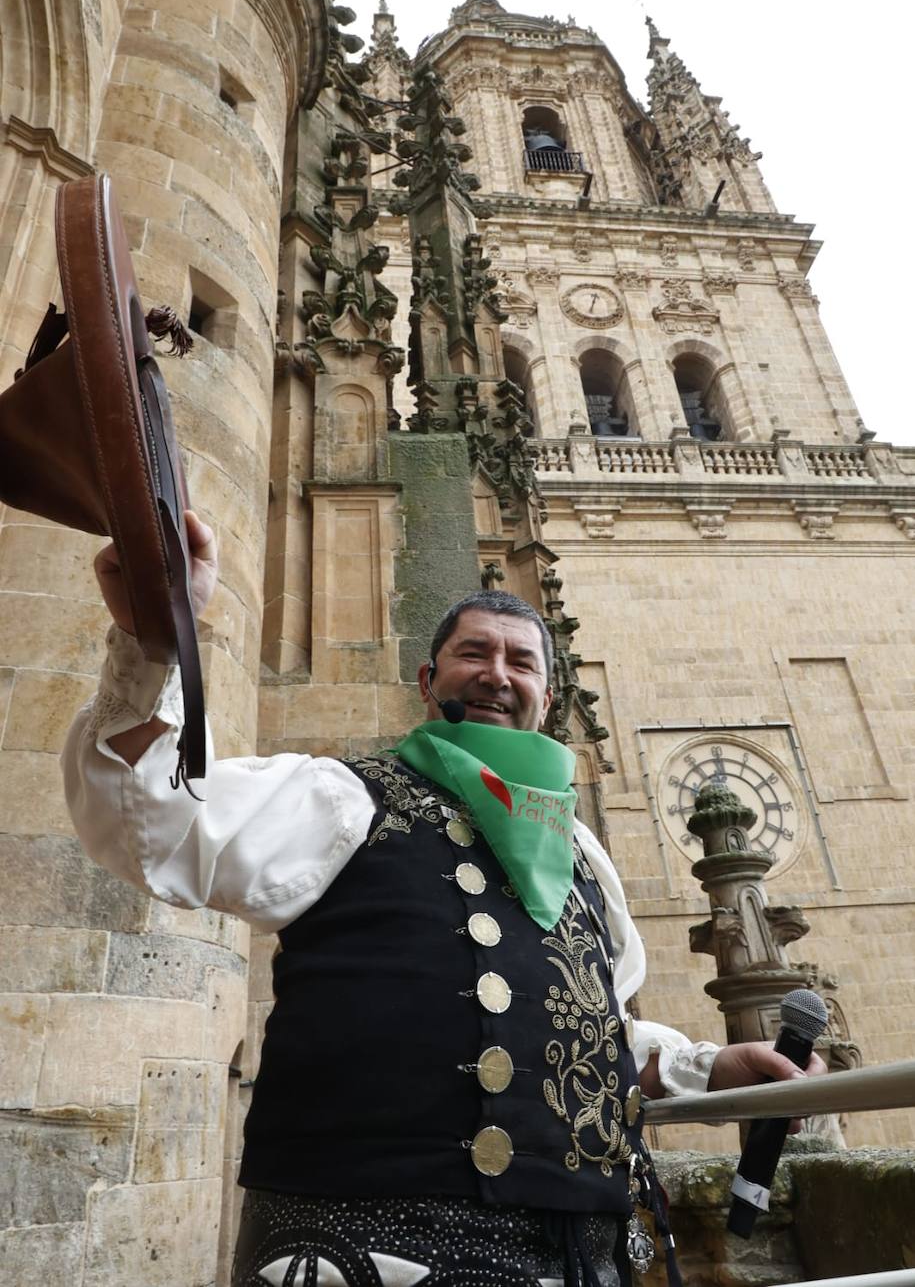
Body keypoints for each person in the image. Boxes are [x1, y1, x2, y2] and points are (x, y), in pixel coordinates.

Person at [63, 512, 825, 1287]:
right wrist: (151, 647)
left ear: (547, 692)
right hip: (371, 1246)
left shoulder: (580, 856)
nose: (498, 674)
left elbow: (585, 1034)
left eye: (520, 662)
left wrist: (708, 1067)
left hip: (581, 1254)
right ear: (429, 683)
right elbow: (153, 820)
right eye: (473, 654)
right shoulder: (343, 796)